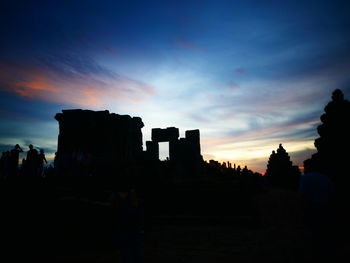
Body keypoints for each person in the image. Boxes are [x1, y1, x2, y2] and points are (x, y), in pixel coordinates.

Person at [299, 158, 335, 260]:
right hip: (325, 207)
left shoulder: (305, 178)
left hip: (311, 207)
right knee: (324, 232)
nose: (304, 169)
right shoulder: (325, 178)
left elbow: (302, 195)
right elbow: (332, 194)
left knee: (313, 232)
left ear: (308, 167)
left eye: (305, 167)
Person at [111, 184, 144, 263]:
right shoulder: (121, 201)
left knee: (130, 248)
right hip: (126, 228)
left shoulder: (129, 201)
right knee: (128, 249)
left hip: (129, 228)